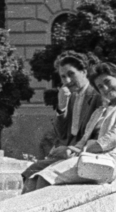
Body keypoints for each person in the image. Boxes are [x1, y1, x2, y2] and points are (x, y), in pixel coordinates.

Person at [23, 63, 116, 190]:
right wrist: (69, 149)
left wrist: (78, 151)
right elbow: (83, 141)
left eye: (107, 81)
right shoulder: (100, 111)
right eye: (100, 86)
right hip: (88, 157)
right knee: (31, 178)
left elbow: (111, 139)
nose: (105, 88)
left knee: (44, 178)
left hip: (106, 162)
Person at [19, 51, 104, 191]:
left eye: (71, 74)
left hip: (86, 156)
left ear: (84, 72)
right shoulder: (71, 96)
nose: (67, 81)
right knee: (30, 173)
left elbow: (99, 135)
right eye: (63, 76)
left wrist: (73, 150)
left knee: (40, 179)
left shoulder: (97, 96)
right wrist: (61, 107)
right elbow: (62, 134)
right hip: (67, 153)